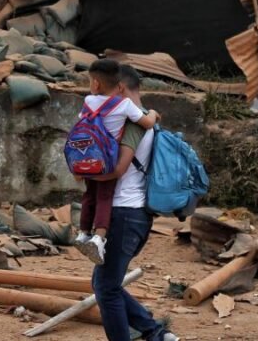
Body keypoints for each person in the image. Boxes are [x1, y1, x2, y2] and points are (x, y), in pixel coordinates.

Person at [89, 65, 180, 341]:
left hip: (124, 214)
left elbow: (118, 169)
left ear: (120, 89)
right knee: (104, 283)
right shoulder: (144, 118)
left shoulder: (131, 122)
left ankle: (152, 332)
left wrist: (83, 171)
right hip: (134, 213)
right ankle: (156, 333)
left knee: (106, 288)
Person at [74, 59, 159, 265]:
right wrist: (155, 114)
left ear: (95, 83)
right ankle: (98, 236)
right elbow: (147, 123)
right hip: (111, 170)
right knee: (104, 197)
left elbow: (81, 124)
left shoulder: (88, 102)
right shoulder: (128, 110)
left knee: (90, 197)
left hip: (121, 205)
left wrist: (83, 170)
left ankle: (84, 233)